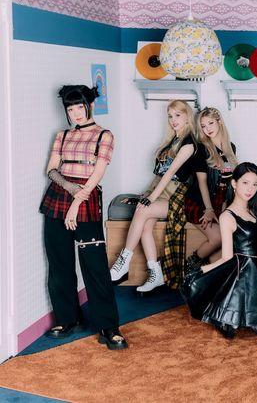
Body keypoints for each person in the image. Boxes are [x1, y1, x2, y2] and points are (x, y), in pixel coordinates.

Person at [39, 85, 127, 349]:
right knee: (59, 263)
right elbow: (51, 170)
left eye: (80, 107)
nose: (75, 113)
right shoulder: (63, 135)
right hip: (58, 198)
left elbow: (97, 174)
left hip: (86, 200)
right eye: (70, 108)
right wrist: (70, 188)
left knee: (95, 265)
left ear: (90, 106)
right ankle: (68, 319)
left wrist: (77, 202)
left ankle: (108, 327)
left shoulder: (104, 136)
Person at [182, 163, 257, 342]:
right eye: (245, 183)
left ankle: (255, 317)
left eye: (255, 184)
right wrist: (202, 270)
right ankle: (249, 319)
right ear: (234, 184)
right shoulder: (227, 216)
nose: (250, 189)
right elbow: (227, 257)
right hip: (245, 278)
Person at [109, 100, 197, 294]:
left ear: (187, 117)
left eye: (178, 115)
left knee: (143, 211)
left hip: (178, 197)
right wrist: (146, 195)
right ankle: (156, 273)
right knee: (145, 225)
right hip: (162, 192)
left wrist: (150, 199)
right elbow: (158, 176)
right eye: (170, 116)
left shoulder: (189, 144)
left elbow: (170, 174)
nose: (173, 120)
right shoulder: (170, 142)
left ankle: (124, 260)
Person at [184, 107, 238, 270]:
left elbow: (227, 184)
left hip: (219, 203)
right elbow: (202, 183)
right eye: (203, 126)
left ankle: (213, 273)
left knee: (231, 238)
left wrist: (224, 210)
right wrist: (208, 209)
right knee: (219, 238)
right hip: (199, 202)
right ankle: (191, 265)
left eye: (210, 123)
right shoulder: (201, 149)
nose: (207, 129)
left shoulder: (230, 148)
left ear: (219, 122)